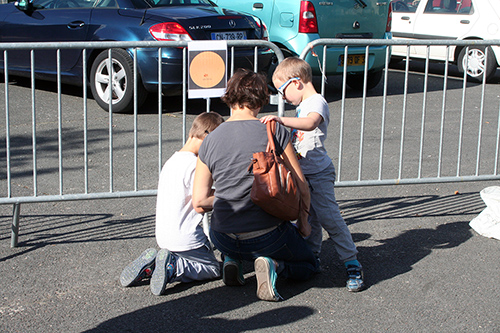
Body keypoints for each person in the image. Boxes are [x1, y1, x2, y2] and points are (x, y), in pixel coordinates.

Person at [192, 68, 319, 302]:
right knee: (309, 264)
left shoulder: (209, 140)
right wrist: (303, 222)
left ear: (229, 97)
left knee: (236, 244)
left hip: (223, 235)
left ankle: (232, 259)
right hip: (267, 235)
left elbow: (199, 202)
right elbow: (300, 183)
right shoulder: (273, 130)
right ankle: (275, 266)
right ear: (260, 101)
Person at [260, 57, 365, 292]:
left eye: (282, 90)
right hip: (305, 174)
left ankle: (352, 263)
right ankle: (312, 259)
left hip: (318, 174)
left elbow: (310, 123)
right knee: (310, 219)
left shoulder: (316, 102)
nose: (283, 97)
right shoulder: (302, 105)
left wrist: (281, 119)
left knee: (330, 218)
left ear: (296, 82)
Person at [120, 111, 225, 296]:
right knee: (213, 268)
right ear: (208, 137)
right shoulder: (195, 165)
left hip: (164, 238)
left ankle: (153, 266)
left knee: (198, 260)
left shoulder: (172, 161)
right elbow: (201, 202)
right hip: (186, 240)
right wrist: (229, 195)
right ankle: (175, 267)